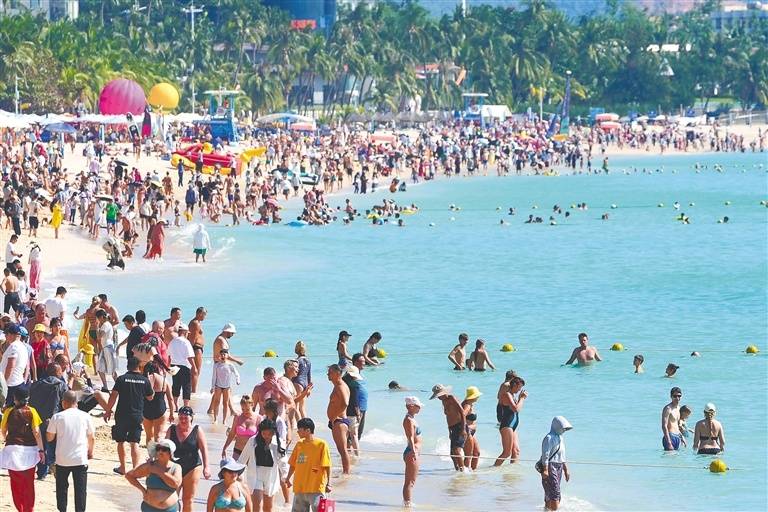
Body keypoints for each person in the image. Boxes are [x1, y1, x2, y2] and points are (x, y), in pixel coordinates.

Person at [104, 356, 155, 475]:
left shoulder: (121, 379)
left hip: (122, 414)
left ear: (128, 366)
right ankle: (135, 468)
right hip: (137, 414)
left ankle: (122, 467)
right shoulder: (144, 380)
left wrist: (108, 410)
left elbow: (113, 396)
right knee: (134, 442)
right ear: (139, 366)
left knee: (120, 441)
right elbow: (150, 397)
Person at [47, 390, 94, 512]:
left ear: (64, 403)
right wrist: (90, 451)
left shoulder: (57, 417)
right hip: (80, 458)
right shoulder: (85, 416)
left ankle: (62, 509)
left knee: (61, 487)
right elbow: (91, 437)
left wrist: (49, 426)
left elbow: (49, 438)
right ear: (76, 402)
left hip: (62, 458)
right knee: (80, 489)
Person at [0, 387, 45, 512]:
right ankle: (28, 509)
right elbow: (36, 432)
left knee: (15, 484)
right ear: (28, 398)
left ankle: (20, 508)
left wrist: (7, 438)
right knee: (28, 483)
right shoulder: (32, 411)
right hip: (30, 451)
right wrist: (41, 450)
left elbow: (3, 430)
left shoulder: (9, 411)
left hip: (13, 451)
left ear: (15, 398)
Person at [166, 406, 212, 512]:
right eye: (180, 417)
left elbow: (204, 449)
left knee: (188, 500)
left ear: (191, 418)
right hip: (174, 467)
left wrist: (207, 467)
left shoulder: (197, 430)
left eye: (185, 418)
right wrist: (156, 462)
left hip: (192, 467)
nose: (183, 420)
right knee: (171, 498)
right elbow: (164, 448)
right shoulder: (171, 429)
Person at [239, 418, 289, 512]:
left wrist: (285, 476)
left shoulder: (278, 442)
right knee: (257, 506)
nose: (266, 436)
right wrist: (237, 475)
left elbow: (283, 462)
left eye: (269, 434)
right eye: (264, 433)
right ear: (260, 432)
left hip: (271, 477)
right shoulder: (253, 441)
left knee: (268, 508)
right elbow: (242, 459)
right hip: (255, 475)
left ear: (273, 432)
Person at [28, 362, 67, 479]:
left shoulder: (36, 384)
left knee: (39, 445)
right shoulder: (61, 385)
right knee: (53, 445)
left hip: (36, 419)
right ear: (57, 372)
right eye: (60, 371)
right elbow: (65, 404)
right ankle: (52, 465)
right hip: (53, 419)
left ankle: (41, 472)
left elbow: (30, 401)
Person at [285, 417, 332, 512]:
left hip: (316, 488)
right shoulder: (299, 444)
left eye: (300, 429)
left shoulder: (321, 444)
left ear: (308, 430)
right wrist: (288, 478)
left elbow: (327, 466)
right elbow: (293, 464)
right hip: (300, 488)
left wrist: (329, 483)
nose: (297, 431)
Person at [125, 438, 183, 512]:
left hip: (170, 509)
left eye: (164, 449)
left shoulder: (176, 467)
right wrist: (143, 490)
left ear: (170, 453)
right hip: (149, 508)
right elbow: (129, 475)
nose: (160, 451)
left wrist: (159, 472)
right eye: (158, 449)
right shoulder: (150, 466)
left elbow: (176, 484)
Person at [539, 416, 573, 511]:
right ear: (556, 426)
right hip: (550, 465)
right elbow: (545, 454)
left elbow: (562, 455)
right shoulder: (549, 438)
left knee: (552, 490)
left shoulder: (560, 438)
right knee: (555, 491)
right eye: (563, 428)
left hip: (559, 465)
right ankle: (554, 509)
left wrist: (566, 470)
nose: (564, 430)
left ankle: (547, 509)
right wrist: (545, 469)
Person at [430, 383, 466, 471]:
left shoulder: (451, 398)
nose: (438, 398)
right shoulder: (443, 401)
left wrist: (463, 429)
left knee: (456, 450)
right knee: (452, 454)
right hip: (452, 427)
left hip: (459, 425)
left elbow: (462, 412)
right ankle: (457, 470)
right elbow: (448, 417)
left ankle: (463, 471)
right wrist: (449, 431)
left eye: (439, 395)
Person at [494, 375, 527, 465]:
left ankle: (512, 472)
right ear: (515, 385)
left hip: (513, 426)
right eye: (519, 387)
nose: (520, 390)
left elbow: (516, 409)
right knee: (506, 453)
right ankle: (493, 469)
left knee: (516, 451)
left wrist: (520, 399)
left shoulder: (513, 396)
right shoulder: (507, 394)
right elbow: (516, 409)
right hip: (507, 425)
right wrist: (522, 399)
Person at [326, 363, 351, 474]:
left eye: (330, 372)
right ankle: (345, 471)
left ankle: (346, 473)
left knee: (342, 450)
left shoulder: (340, 386)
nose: (328, 374)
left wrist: (335, 416)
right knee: (341, 449)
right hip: (337, 421)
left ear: (337, 373)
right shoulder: (337, 386)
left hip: (339, 421)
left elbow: (345, 403)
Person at [143, 361, 174, 444]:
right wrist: (171, 413)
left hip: (146, 409)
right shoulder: (164, 380)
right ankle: (158, 452)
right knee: (158, 436)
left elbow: (146, 395)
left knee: (149, 436)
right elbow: (170, 399)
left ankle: (150, 453)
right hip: (160, 409)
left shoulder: (147, 379)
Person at [221, 395, 260, 460]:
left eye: (247, 409)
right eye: (243, 409)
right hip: (237, 450)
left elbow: (261, 437)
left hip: (252, 452)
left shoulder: (258, 418)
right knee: (234, 466)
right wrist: (225, 448)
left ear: (252, 405)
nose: (245, 412)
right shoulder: (238, 417)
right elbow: (232, 434)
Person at [168, 323, 197, 410]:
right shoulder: (186, 342)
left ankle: (175, 405)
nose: (188, 334)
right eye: (187, 333)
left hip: (174, 366)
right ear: (184, 332)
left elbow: (169, 356)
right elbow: (190, 357)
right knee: (186, 386)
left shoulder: (172, 341)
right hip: (184, 366)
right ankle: (186, 406)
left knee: (175, 385)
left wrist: (168, 366)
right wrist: (194, 368)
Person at [1, 323, 29, 407]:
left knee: (7, 409)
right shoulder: (23, 346)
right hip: (18, 382)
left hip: (11, 384)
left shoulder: (14, 346)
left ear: (12, 335)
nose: (5, 336)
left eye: (7, 334)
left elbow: (11, 366)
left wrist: (4, 383)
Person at [209, 349, 240, 424]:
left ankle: (224, 420)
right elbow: (214, 377)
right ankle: (215, 419)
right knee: (217, 402)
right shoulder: (216, 365)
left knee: (225, 403)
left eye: (224, 354)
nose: (223, 356)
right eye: (221, 354)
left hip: (227, 387)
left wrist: (238, 380)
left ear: (227, 355)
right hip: (218, 386)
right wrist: (212, 387)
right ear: (219, 356)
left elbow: (237, 373)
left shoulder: (230, 365)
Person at [402, 396, 422, 508]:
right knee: (410, 482)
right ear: (411, 406)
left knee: (412, 481)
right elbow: (410, 437)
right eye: (418, 406)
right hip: (411, 452)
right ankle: (407, 504)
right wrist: (414, 452)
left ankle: (407, 503)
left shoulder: (412, 418)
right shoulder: (408, 420)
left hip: (413, 451)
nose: (420, 408)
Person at [94, 309, 117, 391]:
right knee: (100, 368)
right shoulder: (107, 324)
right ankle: (105, 386)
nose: (97, 320)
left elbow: (99, 337)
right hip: (107, 348)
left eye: (97, 318)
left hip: (107, 348)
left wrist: (97, 328)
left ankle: (119, 386)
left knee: (111, 369)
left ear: (100, 317)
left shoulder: (105, 325)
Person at [461, 386, 482, 470]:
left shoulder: (469, 404)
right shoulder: (467, 405)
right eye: (477, 395)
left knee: (476, 453)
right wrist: (466, 428)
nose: (478, 397)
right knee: (468, 455)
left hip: (470, 432)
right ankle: (464, 473)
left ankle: (473, 471)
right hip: (467, 432)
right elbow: (462, 416)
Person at [187, 307, 207, 394]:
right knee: (195, 371)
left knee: (195, 371)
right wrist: (189, 352)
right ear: (199, 313)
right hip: (195, 348)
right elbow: (192, 339)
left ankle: (192, 390)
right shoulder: (195, 323)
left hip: (197, 348)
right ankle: (193, 391)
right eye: (204, 314)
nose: (205, 317)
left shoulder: (197, 322)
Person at [292, 341, 312, 420]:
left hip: (298, 382)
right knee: (302, 408)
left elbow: (295, 374)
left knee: (296, 406)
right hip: (305, 384)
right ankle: (306, 423)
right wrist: (309, 388)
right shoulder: (308, 361)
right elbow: (309, 375)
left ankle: (299, 424)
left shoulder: (297, 361)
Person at [661, 386, 683, 451]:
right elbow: (664, 426)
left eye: (679, 396)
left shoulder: (679, 408)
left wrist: (681, 437)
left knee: (677, 457)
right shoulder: (668, 408)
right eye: (675, 396)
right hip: (670, 437)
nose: (677, 398)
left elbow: (676, 425)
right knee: (669, 456)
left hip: (677, 437)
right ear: (671, 396)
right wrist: (669, 442)